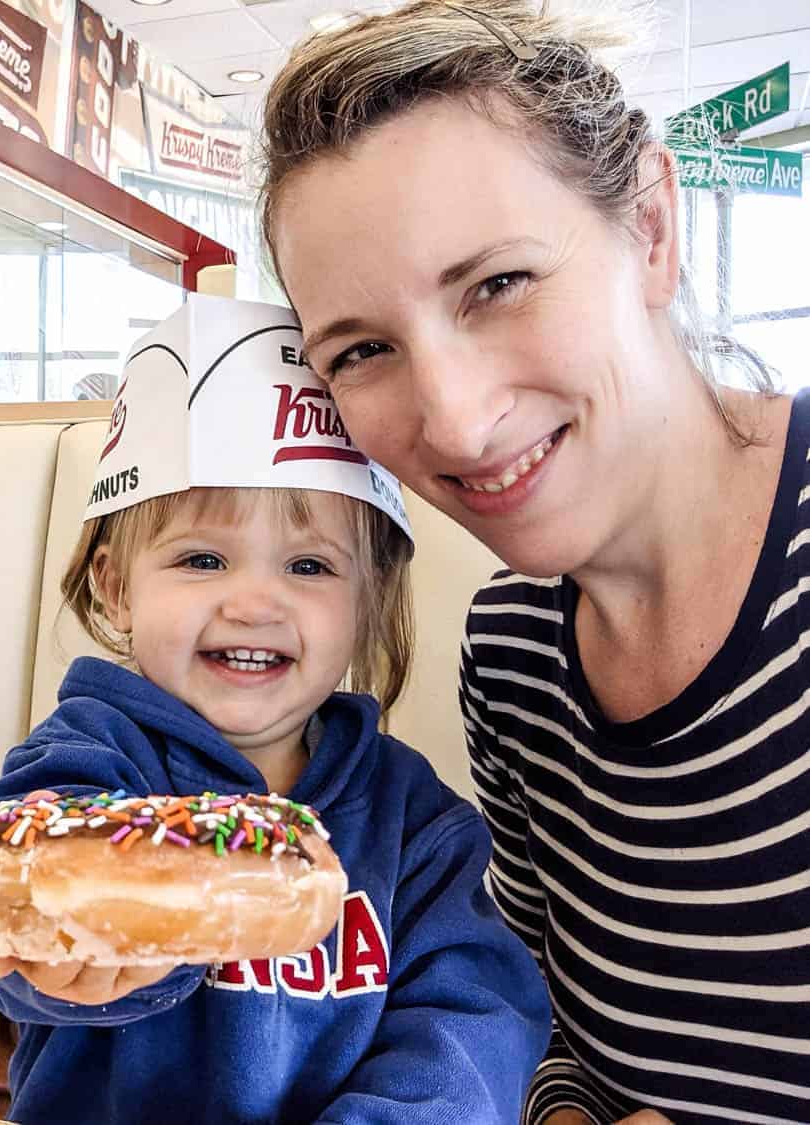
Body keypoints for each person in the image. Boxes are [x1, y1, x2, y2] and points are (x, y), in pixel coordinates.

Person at [258, 3, 807, 1123]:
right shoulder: (509, 651)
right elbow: (549, 1020)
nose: (454, 423)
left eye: (498, 284)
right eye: (363, 350)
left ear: (650, 227)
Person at [0, 295, 551, 1124]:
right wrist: (99, 953)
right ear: (115, 585)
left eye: (309, 566)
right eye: (203, 558)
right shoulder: (92, 758)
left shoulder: (412, 821)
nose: (254, 602)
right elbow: (19, 890)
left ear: (368, 603)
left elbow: (478, 1014)